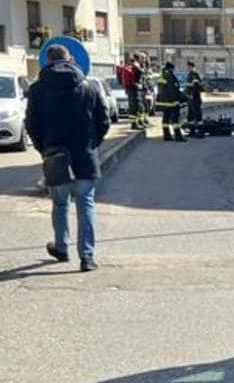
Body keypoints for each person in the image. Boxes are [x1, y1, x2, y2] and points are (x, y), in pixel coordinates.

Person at [25, 44, 110, 272]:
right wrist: (92, 145)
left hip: (55, 155)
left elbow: (31, 125)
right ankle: (87, 257)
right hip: (84, 155)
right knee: (86, 205)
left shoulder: (37, 89)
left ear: (47, 62)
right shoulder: (89, 87)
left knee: (60, 204)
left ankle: (62, 248)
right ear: (70, 60)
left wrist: (44, 148)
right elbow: (104, 121)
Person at [156, 61, 187, 142]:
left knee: (165, 119)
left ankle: (166, 135)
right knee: (175, 119)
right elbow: (173, 89)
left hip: (163, 102)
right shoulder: (170, 76)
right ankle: (178, 136)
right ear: (171, 68)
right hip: (171, 101)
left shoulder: (162, 75)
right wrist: (178, 100)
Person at [123, 53, 147, 130]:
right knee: (135, 107)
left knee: (139, 107)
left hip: (136, 89)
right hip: (134, 89)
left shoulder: (137, 66)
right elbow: (139, 75)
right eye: (142, 58)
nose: (143, 60)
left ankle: (138, 123)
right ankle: (134, 124)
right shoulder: (135, 66)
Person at [185, 60, 204, 138]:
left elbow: (196, 86)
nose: (188, 68)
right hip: (190, 98)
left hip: (195, 98)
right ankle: (192, 131)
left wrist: (192, 95)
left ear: (192, 66)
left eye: (189, 66)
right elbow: (188, 86)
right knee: (191, 116)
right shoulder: (189, 74)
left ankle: (200, 132)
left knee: (197, 115)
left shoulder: (195, 74)